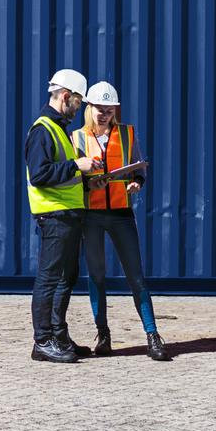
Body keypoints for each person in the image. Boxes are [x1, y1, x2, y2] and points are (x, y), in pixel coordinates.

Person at [73, 80, 172, 362]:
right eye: (98, 109)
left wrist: (137, 183)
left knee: (136, 277)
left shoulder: (127, 135)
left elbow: (139, 166)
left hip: (121, 213)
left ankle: (152, 335)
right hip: (91, 215)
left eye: (109, 109)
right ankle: (103, 334)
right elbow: (73, 179)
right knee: (96, 276)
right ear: (88, 108)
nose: (104, 114)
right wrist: (86, 184)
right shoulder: (76, 139)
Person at [24, 68, 102, 363]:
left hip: (68, 215)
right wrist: (76, 166)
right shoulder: (43, 129)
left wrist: (86, 179)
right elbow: (40, 175)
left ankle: (58, 335)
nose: (79, 109)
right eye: (78, 103)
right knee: (49, 278)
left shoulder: (58, 129)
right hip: (54, 216)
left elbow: (62, 174)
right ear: (66, 96)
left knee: (65, 278)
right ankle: (42, 341)